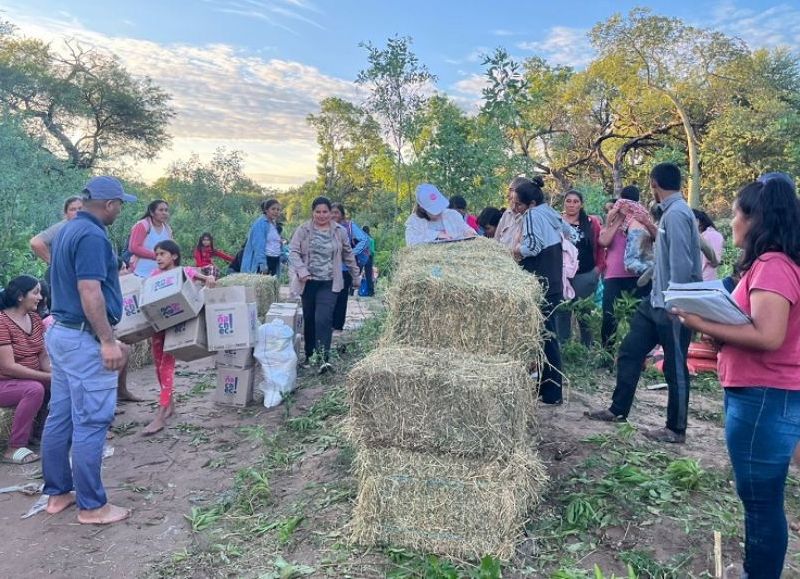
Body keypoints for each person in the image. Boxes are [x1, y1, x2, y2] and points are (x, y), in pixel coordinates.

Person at [673, 176, 800, 578]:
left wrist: (698, 319)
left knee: (761, 502)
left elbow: (768, 334)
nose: (730, 222)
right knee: (763, 500)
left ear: (755, 218)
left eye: (734, 213)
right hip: (767, 392)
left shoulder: (773, 265)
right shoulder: (780, 262)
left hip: (763, 395)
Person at [586, 163, 702, 443]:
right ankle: (618, 409)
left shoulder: (676, 215)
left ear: (654, 184)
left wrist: (678, 304)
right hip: (655, 302)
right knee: (629, 351)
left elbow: (682, 264)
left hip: (673, 306)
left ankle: (675, 429)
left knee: (675, 367)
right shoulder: (670, 214)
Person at [43, 175, 136, 525]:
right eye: (120, 204)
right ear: (109, 204)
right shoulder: (94, 236)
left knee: (61, 416)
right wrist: (108, 340)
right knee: (92, 421)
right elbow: (89, 290)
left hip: (61, 333)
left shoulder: (67, 229)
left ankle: (57, 494)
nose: (120, 211)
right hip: (83, 339)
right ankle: (93, 506)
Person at [143, 240, 216, 436]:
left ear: (174, 256)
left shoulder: (183, 272)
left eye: (163, 254)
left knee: (166, 368)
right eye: (156, 254)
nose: (158, 257)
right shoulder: (154, 276)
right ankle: (170, 406)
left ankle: (160, 415)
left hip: (176, 328)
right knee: (158, 368)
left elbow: (202, 277)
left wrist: (208, 280)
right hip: (158, 329)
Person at [512, 179, 574, 405]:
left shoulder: (531, 216)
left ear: (530, 203)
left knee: (546, 337)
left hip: (541, 281)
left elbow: (533, 247)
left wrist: (515, 249)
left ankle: (552, 392)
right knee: (547, 335)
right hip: (554, 280)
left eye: (518, 204)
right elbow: (569, 232)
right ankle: (546, 386)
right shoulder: (549, 212)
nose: (515, 208)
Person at [289, 196, 360, 373]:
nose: (322, 215)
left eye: (325, 212)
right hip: (309, 282)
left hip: (330, 282)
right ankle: (309, 354)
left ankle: (323, 358)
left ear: (330, 213)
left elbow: (348, 254)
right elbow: (293, 252)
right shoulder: (303, 230)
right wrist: (302, 271)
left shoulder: (339, 231)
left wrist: (356, 275)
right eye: (318, 212)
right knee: (310, 319)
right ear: (313, 213)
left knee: (324, 318)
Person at [0, 275, 49, 464]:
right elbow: (8, 367)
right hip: (5, 382)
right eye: (35, 293)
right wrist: (46, 377)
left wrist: (53, 375)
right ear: (21, 296)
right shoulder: (2, 322)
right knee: (34, 389)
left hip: (28, 378)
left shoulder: (36, 319)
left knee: (59, 383)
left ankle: (38, 433)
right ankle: (14, 447)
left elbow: (42, 355)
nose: (40, 297)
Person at [599, 185, 653, 350]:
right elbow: (604, 242)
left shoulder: (643, 219)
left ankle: (640, 354)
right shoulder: (613, 222)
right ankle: (607, 352)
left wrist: (646, 223)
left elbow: (657, 238)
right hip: (614, 276)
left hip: (639, 276)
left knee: (639, 318)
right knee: (609, 316)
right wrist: (619, 220)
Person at [555, 190, 604, 346]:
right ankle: (564, 347)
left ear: (581, 204)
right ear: (564, 203)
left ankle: (586, 348)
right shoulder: (557, 222)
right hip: (562, 275)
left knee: (584, 312)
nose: (572, 204)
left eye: (575, 201)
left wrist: (598, 269)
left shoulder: (591, 223)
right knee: (563, 311)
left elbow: (600, 247)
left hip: (585, 274)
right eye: (568, 201)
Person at [29, 196, 83, 310]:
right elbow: (36, 242)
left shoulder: (87, 227)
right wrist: (55, 262)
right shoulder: (63, 226)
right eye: (73, 209)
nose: (77, 212)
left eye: (80, 208)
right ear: (65, 214)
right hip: (61, 279)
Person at [331, 203, 369, 332]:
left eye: (336, 212)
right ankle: (328, 324)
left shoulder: (349, 226)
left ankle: (337, 326)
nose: (334, 215)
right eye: (332, 212)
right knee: (328, 297)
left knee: (341, 298)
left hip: (344, 269)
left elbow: (365, 240)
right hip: (329, 269)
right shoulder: (326, 226)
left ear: (342, 214)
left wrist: (352, 253)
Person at [405, 184, 477, 246]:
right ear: (423, 209)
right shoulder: (414, 222)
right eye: (434, 209)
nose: (439, 211)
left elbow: (465, 229)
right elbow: (411, 243)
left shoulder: (452, 215)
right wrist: (436, 235)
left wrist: (469, 232)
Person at [128, 199, 173, 278]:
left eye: (166, 210)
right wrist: (157, 256)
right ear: (152, 212)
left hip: (161, 274)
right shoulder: (143, 225)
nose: (164, 213)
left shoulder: (167, 229)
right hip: (141, 273)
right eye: (161, 210)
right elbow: (134, 247)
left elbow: (171, 249)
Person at [242, 199, 283, 276]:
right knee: (261, 287)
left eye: (278, 209)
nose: (276, 211)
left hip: (274, 260)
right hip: (264, 262)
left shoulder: (273, 224)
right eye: (273, 209)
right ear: (266, 210)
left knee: (272, 287)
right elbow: (258, 246)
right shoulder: (260, 224)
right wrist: (262, 264)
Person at [496, 177, 530, 250]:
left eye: (511, 190)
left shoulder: (530, 217)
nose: (508, 195)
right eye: (511, 199)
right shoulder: (506, 214)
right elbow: (496, 240)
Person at [692, 209, 724, 281]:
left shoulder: (712, 235)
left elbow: (715, 261)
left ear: (697, 221)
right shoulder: (702, 236)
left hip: (705, 282)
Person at [361, 225, 376, 297]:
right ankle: (371, 292)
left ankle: (351, 291)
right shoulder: (371, 239)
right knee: (369, 275)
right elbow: (372, 251)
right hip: (369, 258)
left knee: (356, 274)